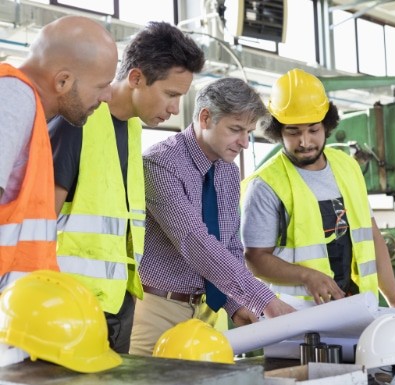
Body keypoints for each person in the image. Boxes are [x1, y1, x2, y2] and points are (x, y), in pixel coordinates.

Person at [49, 21, 205, 353]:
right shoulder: (76, 122)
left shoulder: (133, 129)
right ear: (136, 78)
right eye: (171, 94)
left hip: (118, 308)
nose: (176, 109)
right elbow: (38, 223)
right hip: (68, 310)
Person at [130, 77, 295, 357]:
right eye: (236, 129)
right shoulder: (159, 164)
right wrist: (262, 299)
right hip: (157, 312)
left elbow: (228, 245)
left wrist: (235, 304)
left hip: (207, 313)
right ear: (205, 118)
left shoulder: (228, 171)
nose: (244, 142)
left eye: (249, 132)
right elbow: (196, 243)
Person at [241, 68, 395, 308]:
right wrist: (307, 276)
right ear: (277, 131)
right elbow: (255, 259)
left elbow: (372, 235)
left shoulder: (347, 166)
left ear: (326, 126)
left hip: (357, 306)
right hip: (296, 317)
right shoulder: (266, 185)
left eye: (313, 130)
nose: (305, 142)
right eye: (293, 132)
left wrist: (394, 301)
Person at [0, 16, 118, 292]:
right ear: (63, 81)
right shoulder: (13, 98)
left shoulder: (26, 107)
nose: (108, 96)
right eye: (102, 85)